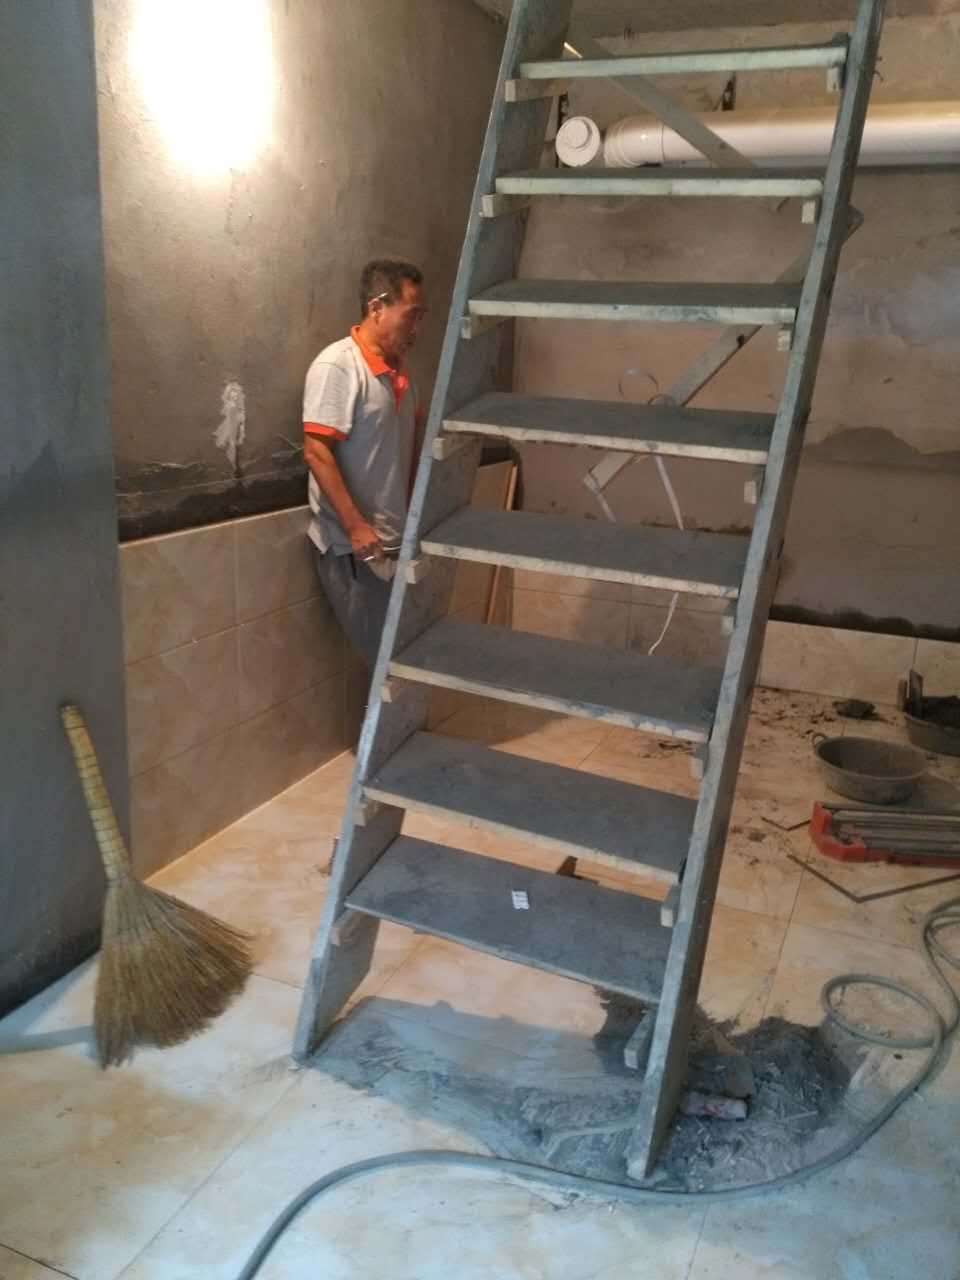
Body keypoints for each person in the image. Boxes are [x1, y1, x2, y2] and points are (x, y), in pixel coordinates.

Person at [303, 259, 427, 667]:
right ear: (377, 308)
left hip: (395, 544)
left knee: (401, 663)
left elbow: (410, 445)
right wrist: (356, 527)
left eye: (421, 317)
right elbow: (316, 451)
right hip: (355, 550)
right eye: (411, 315)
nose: (417, 329)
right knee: (388, 665)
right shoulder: (338, 366)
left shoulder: (401, 373)